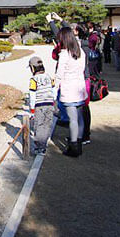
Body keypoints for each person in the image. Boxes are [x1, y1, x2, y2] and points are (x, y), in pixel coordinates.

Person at [54, 27, 87, 157]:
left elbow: (59, 75)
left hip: (69, 90)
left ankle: (73, 147)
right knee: (79, 118)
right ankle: (78, 142)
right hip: (80, 87)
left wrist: (54, 89)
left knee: (72, 120)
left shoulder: (64, 54)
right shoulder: (80, 51)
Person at [28, 56, 56, 154]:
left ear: (32, 68)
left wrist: (32, 110)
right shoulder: (49, 76)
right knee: (47, 124)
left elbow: (32, 95)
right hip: (50, 104)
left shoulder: (33, 79)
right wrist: (54, 101)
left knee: (38, 125)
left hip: (39, 105)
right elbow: (54, 90)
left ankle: (39, 148)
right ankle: (44, 144)